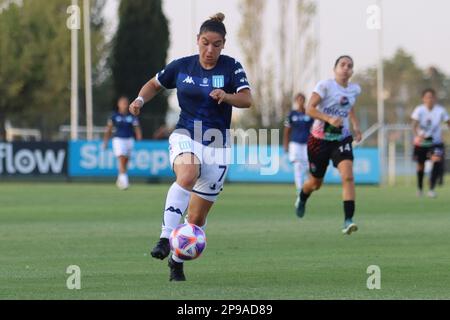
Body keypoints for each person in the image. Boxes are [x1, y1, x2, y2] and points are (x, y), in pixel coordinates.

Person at [129, 13, 252, 281]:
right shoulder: (182, 67)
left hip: (217, 145)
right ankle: (164, 237)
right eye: (205, 43)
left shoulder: (231, 68)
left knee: (195, 220)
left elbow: (246, 99)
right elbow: (154, 84)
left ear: (223, 44)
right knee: (187, 174)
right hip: (186, 134)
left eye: (216, 44)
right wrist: (140, 99)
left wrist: (227, 96)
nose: (210, 50)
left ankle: (176, 260)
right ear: (197, 40)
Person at [296, 56, 362, 235]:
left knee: (348, 177)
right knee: (316, 183)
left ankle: (348, 220)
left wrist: (355, 126)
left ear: (352, 71)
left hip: (341, 138)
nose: (346, 68)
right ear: (335, 69)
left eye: (349, 66)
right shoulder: (325, 86)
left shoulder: (355, 89)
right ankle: (303, 196)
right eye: (342, 65)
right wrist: (328, 118)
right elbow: (310, 108)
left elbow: (350, 107)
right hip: (318, 141)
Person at [411, 88, 450, 198]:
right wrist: (417, 136)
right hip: (422, 142)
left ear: (435, 98)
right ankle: (420, 188)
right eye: (427, 97)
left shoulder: (440, 110)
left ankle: (431, 189)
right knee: (420, 165)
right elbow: (413, 125)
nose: (430, 99)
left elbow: (448, 122)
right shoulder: (419, 110)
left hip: (436, 142)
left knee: (437, 162)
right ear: (423, 99)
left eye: (432, 97)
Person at [103, 96, 142, 190]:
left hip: (129, 140)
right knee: (122, 158)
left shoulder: (131, 116)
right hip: (118, 140)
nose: (124, 105)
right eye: (122, 103)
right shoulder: (114, 116)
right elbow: (109, 129)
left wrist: (139, 136)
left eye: (126, 103)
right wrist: (105, 141)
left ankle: (120, 178)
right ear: (119, 104)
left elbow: (137, 127)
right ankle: (125, 182)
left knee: (126, 161)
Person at [283, 93, 314, 208]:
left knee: (307, 167)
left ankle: (306, 191)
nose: (300, 101)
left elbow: (314, 129)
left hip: (307, 144)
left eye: (302, 99)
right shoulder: (292, 114)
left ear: (304, 101)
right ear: (296, 101)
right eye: (298, 99)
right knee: (297, 166)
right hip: (295, 143)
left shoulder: (309, 113)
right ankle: (299, 190)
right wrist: (285, 144)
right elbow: (287, 130)